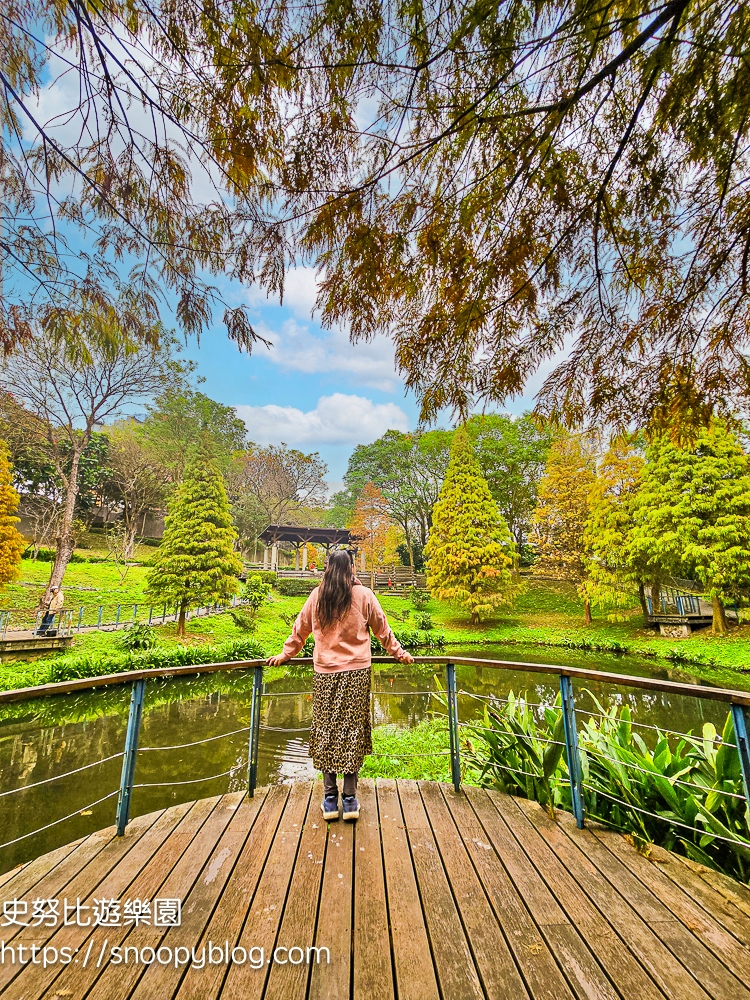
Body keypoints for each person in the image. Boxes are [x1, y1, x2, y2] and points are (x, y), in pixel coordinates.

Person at [268, 549, 413, 821]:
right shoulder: (364, 596)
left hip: (325, 674)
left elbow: (299, 630)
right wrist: (400, 653)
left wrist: (285, 655)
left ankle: (329, 797)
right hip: (357, 674)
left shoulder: (317, 596)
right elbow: (383, 630)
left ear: (327, 568)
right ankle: (349, 799)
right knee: (351, 731)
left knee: (327, 730)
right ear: (351, 568)